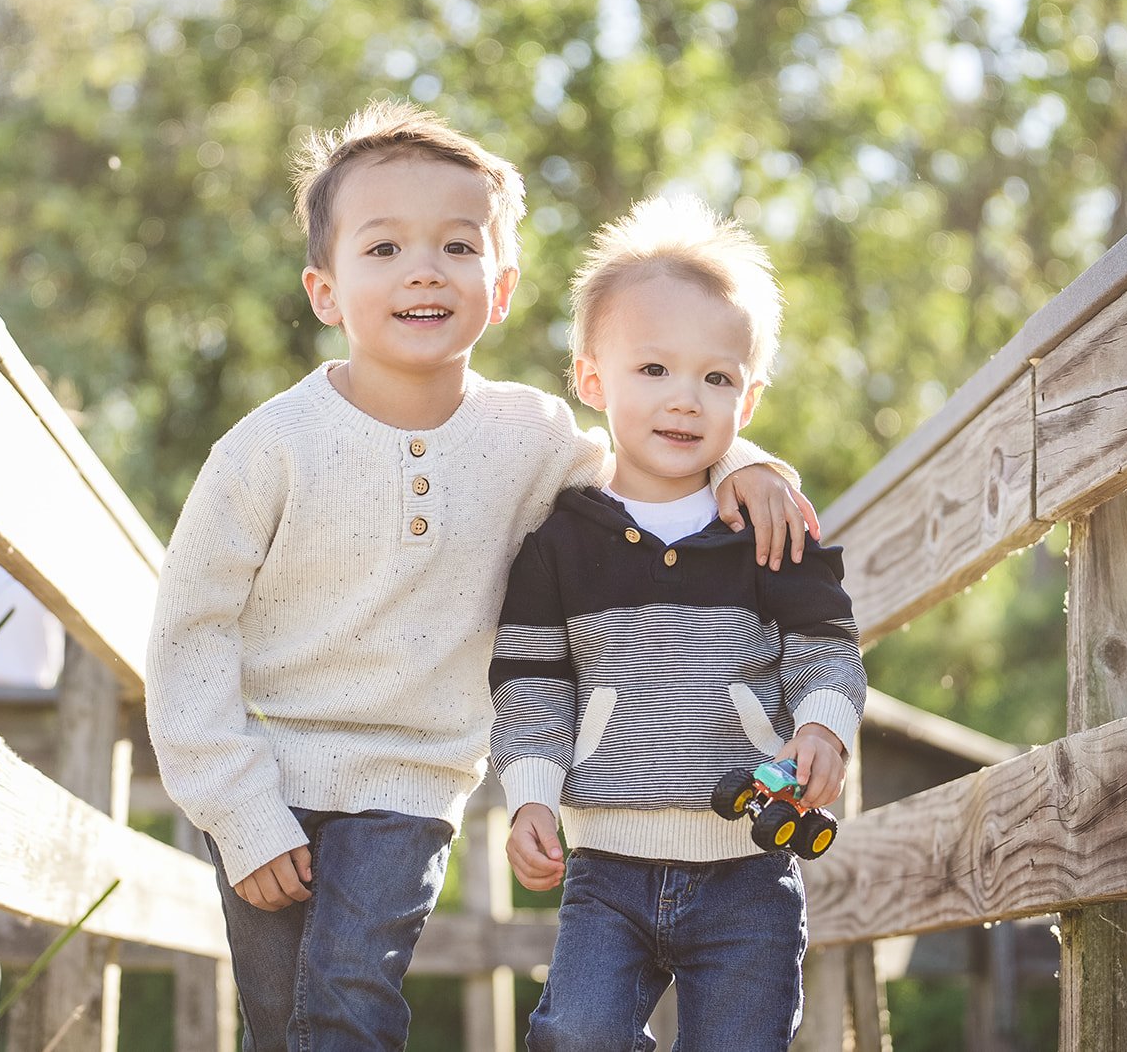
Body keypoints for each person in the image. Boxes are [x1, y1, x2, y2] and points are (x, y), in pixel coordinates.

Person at [144, 101, 818, 1052]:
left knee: (345, 1000)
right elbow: (190, 628)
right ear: (325, 290)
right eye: (383, 249)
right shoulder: (269, 449)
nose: (423, 268)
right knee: (279, 1017)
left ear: (499, 290)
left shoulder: (532, 438)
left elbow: (649, 460)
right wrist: (237, 808)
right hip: (264, 769)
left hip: (412, 780)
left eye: (457, 247)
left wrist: (745, 460)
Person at [490, 195, 867, 1052]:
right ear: (592, 379)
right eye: (652, 370)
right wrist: (529, 797)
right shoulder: (559, 537)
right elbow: (531, 685)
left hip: (749, 862)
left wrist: (824, 725)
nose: (685, 400)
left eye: (716, 377)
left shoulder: (766, 525)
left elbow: (825, 649)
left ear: (750, 394)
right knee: (577, 1032)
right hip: (607, 866)